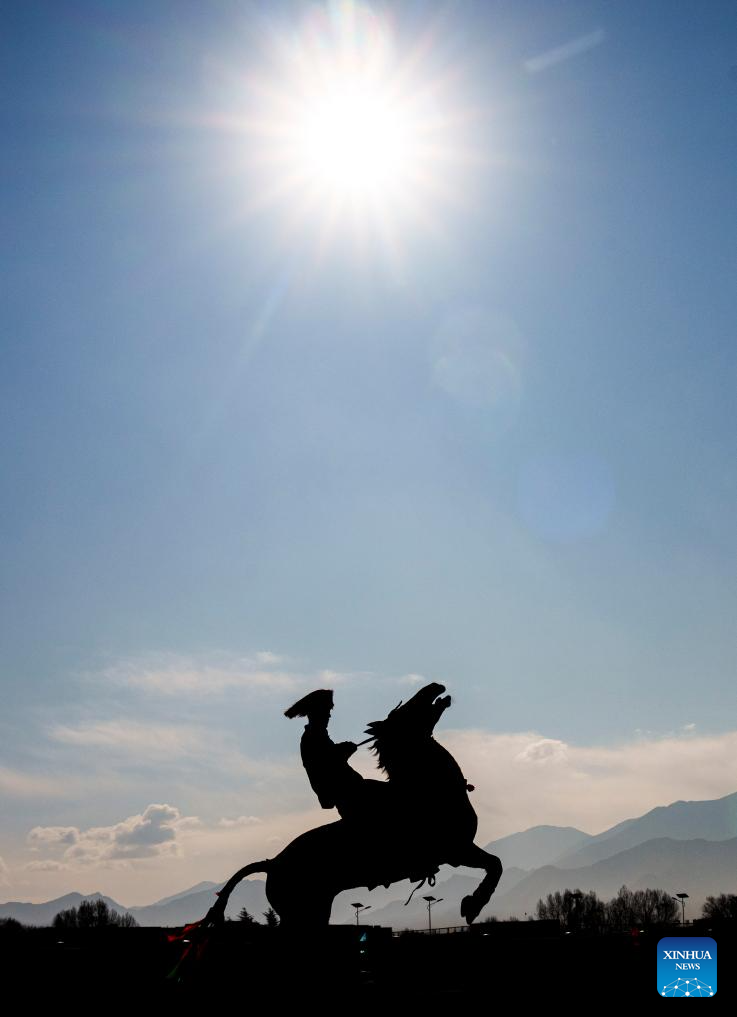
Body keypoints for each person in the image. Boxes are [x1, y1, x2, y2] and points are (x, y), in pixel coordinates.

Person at [284, 689, 366, 818]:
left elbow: (328, 755)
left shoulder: (316, 736)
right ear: (317, 712)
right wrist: (343, 750)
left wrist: (341, 748)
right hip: (349, 794)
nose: (329, 716)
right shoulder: (312, 737)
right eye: (326, 711)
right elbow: (327, 764)